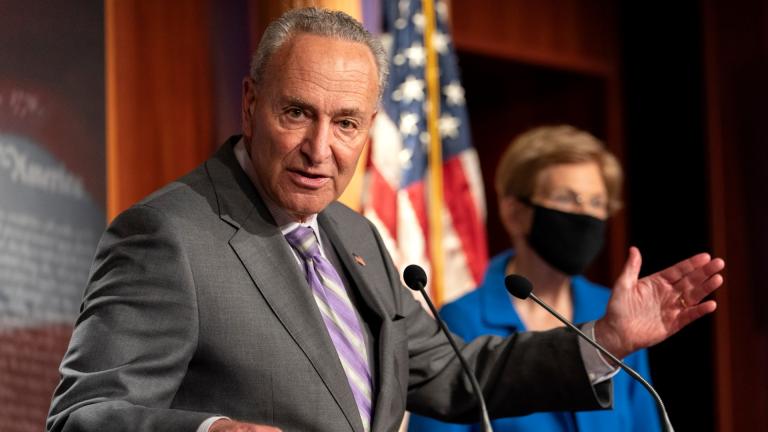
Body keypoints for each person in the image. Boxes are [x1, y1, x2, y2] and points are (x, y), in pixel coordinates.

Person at [45, 8, 724, 432]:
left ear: (370, 125)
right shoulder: (168, 235)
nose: (321, 148)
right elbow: (81, 417)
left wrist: (602, 338)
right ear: (251, 102)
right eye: (296, 113)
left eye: (345, 123)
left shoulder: (355, 235)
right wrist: (209, 431)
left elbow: (454, 374)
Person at [408, 125, 661, 432]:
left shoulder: (612, 312)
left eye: (596, 203)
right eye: (567, 198)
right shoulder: (463, 319)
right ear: (515, 213)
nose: (585, 215)